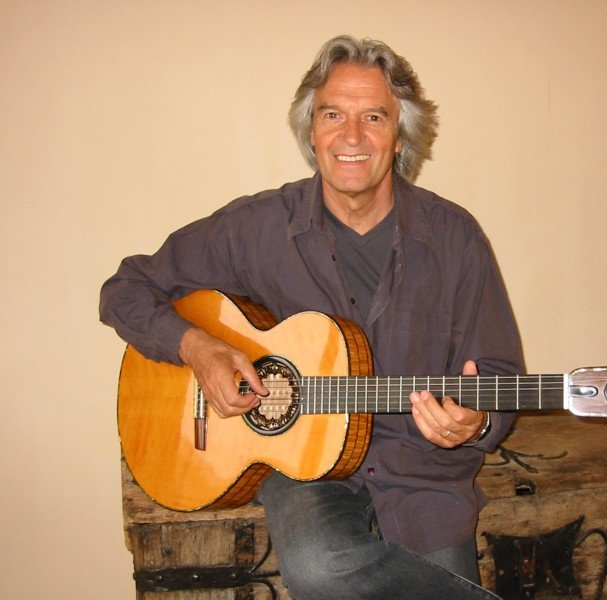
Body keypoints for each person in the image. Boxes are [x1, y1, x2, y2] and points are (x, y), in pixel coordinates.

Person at [100, 35, 524, 599]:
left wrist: (478, 422)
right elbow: (125, 288)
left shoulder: (455, 238)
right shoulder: (257, 228)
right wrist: (198, 349)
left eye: (374, 117)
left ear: (400, 136)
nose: (352, 136)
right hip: (305, 471)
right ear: (311, 131)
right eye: (332, 115)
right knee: (319, 567)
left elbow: (499, 373)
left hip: (423, 474)